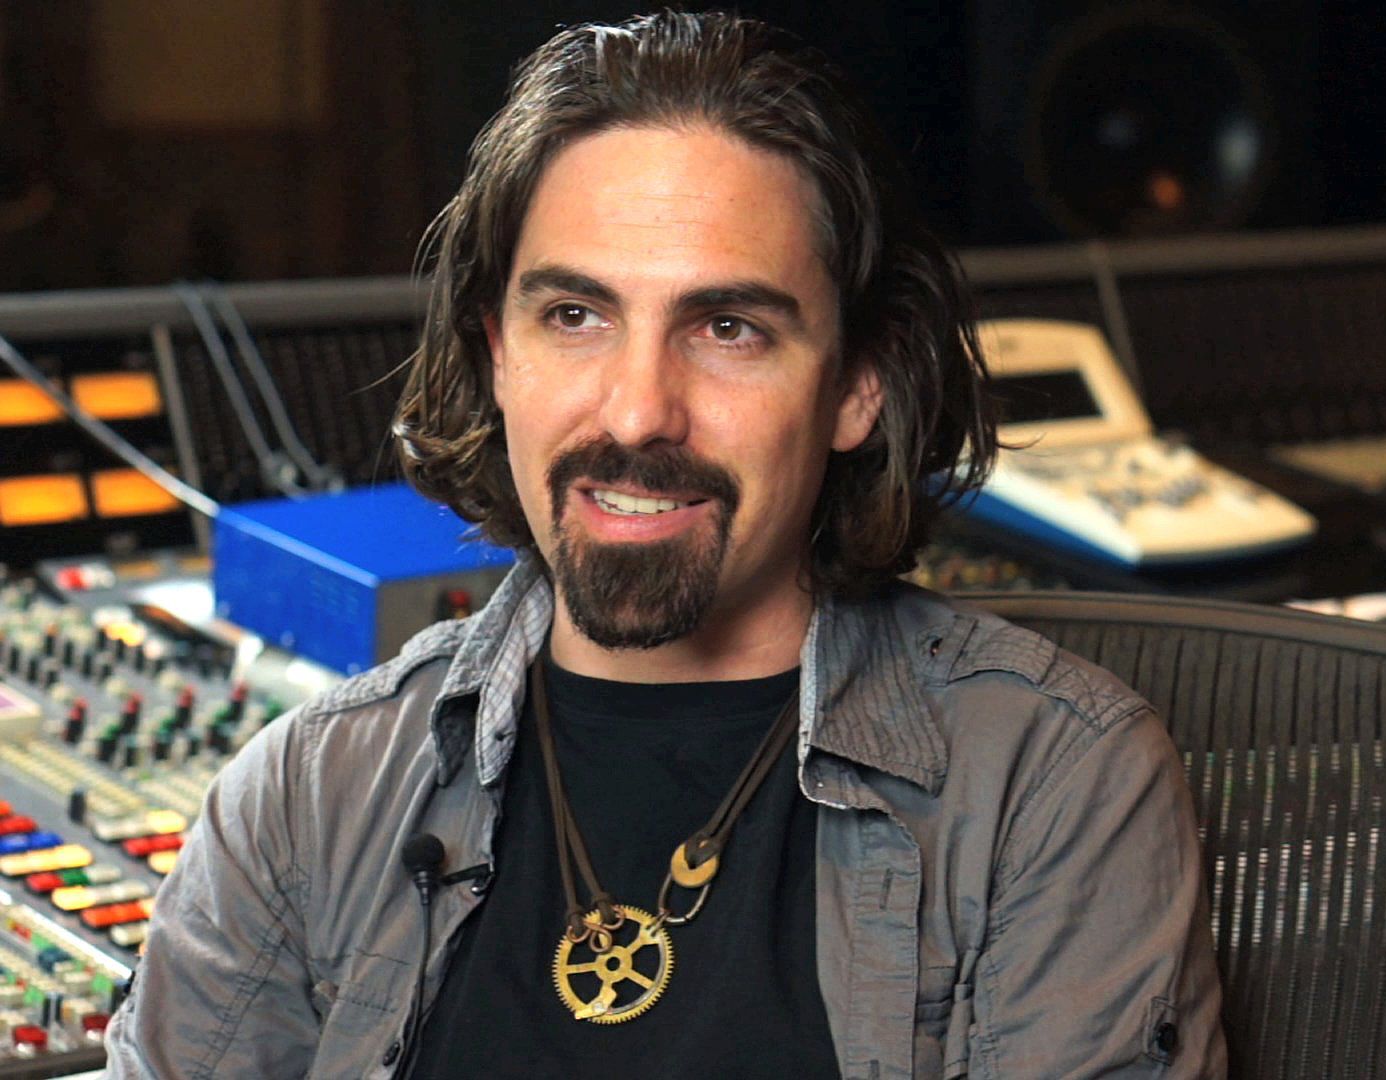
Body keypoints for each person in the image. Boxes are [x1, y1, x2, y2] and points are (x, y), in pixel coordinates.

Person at [106, 11, 1225, 1078]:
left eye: (728, 328)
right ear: (498, 357)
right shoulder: (303, 797)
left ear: (858, 386)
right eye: (575, 317)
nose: (639, 412)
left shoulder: (1053, 784)